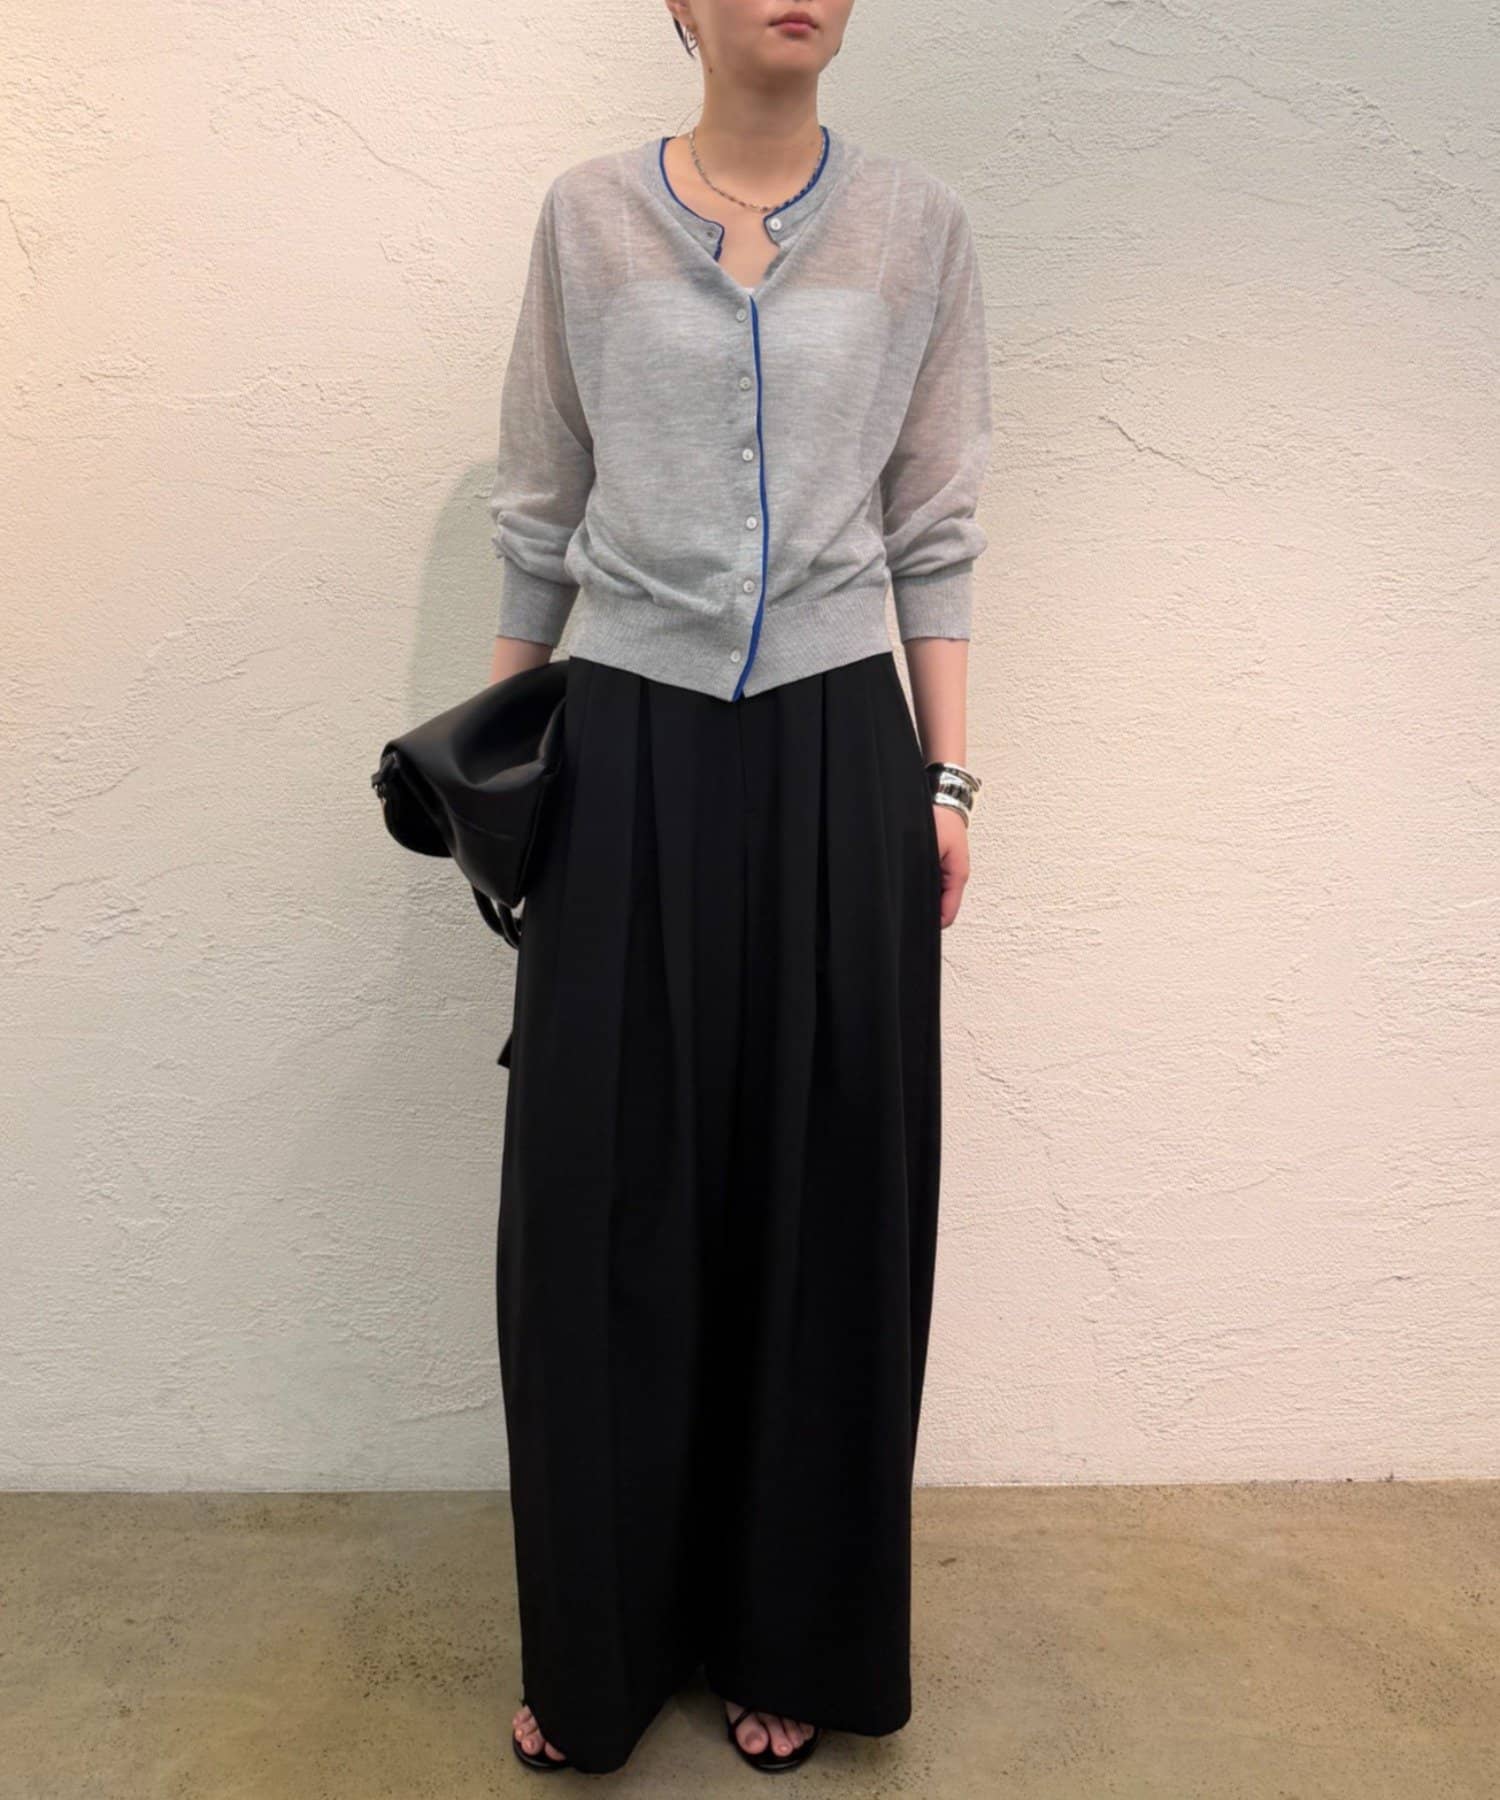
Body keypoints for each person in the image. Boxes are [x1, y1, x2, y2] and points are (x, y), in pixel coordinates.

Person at [487, 0, 991, 1776]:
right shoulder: (587, 216)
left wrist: (945, 779)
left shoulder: (920, 226)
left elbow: (935, 523)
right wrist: (498, 771)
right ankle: (604, 1642)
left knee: (823, 1186)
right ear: (680, 10)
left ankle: (795, 1629)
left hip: (839, 743)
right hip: (623, 735)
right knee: (602, 1191)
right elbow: (539, 506)